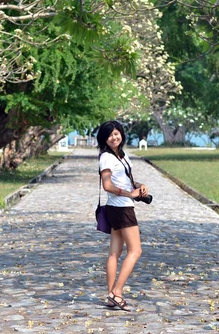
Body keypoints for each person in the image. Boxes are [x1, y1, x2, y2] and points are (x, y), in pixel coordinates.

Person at [96, 120, 149, 312]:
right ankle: (117, 292)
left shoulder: (122, 156)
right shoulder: (106, 158)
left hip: (117, 207)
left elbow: (126, 181)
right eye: (109, 135)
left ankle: (111, 297)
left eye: (116, 133)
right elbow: (107, 186)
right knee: (136, 251)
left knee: (114, 253)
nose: (114, 137)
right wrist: (130, 194)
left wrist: (139, 187)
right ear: (104, 138)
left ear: (121, 134)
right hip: (121, 208)